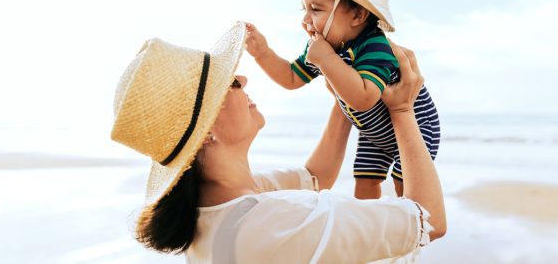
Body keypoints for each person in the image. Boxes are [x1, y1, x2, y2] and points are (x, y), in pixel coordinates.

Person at [111, 22, 446, 263]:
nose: (243, 78)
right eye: (229, 82)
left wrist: (347, 91)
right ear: (208, 132)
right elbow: (426, 221)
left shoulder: (210, 207)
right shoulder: (282, 220)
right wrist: (402, 111)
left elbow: (317, 176)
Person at [245, 0, 441, 200]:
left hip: (416, 127)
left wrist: (326, 60)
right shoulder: (325, 47)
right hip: (374, 133)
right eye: (303, 8)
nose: (306, 19)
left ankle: (408, 232)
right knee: (365, 182)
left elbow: (364, 98)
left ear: (358, 14)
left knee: (406, 189)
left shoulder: (375, 47)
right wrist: (263, 53)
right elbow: (292, 78)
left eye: (315, 9)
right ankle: (367, 228)